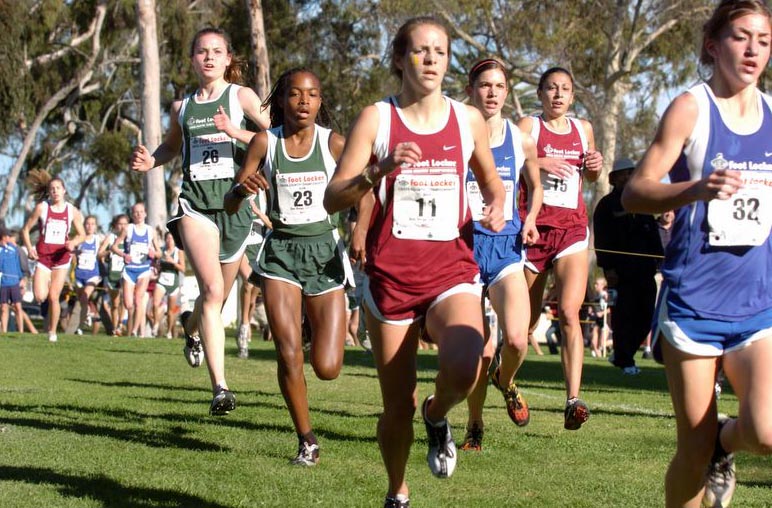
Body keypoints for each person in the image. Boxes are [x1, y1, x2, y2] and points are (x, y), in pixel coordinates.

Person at [323, 17, 506, 507]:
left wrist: (498, 203)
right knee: (395, 408)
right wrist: (378, 170)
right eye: (421, 51)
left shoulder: (467, 120)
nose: (431, 60)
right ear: (401, 58)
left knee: (467, 362)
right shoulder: (376, 119)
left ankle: (438, 412)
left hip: (451, 269)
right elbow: (332, 197)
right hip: (392, 277)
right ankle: (396, 491)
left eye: (440, 52)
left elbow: (492, 181)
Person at [622, 1, 772, 506]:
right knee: (691, 449)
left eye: (764, 40)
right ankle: (711, 447)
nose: (753, 50)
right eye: (740, 37)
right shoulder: (692, 107)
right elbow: (635, 192)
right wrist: (694, 189)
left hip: (758, 304)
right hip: (693, 306)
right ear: (713, 44)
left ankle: (725, 441)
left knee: (766, 431)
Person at [129, 27, 270, 415]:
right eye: (201, 52)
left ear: (228, 59)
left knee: (216, 298)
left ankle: (190, 330)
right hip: (195, 205)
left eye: (216, 51)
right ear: (192, 59)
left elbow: (274, 138)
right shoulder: (182, 107)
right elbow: (172, 147)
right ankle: (220, 388)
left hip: (235, 205)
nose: (208, 57)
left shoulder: (241, 97)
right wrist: (151, 161)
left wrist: (233, 131)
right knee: (211, 290)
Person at [225, 66, 351, 466]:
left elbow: (361, 190)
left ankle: (312, 327)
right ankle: (307, 439)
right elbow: (231, 202)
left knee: (328, 368)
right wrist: (241, 189)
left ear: (320, 101)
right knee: (288, 353)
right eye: (295, 94)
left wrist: (361, 230)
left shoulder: (333, 144)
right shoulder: (265, 142)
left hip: (325, 253)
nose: (303, 101)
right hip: (281, 253)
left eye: (312, 95)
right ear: (281, 100)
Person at [457, 58, 543, 452]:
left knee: (518, 341)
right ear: (472, 89)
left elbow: (535, 186)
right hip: (465, 249)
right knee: (482, 348)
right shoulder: (456, 134)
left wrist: (531, 219)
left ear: (508, 93)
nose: (492, 93)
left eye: (500, 86)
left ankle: (505, 381)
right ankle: (475, 423)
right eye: (485, 85)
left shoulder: (520, 139)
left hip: (507, 248)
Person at [516, 66, 603, 430]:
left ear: (572, 96)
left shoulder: (583, 129)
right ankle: (505, 381)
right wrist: (538, 161)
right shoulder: (527, 127)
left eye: (565, 89)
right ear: (540, 93)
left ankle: (573, 400)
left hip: (571, 228)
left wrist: (596, 166)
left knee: (570, 311)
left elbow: (593, 175)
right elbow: (509, 162)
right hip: (533, 229)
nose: (558, 95)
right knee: (524, 325)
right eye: (551, 88)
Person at [594, 157, 663, 375]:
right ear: (614, 178)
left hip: (645, 270)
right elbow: (602, 239)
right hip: (621, 273)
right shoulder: (606, 205)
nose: (628, 176)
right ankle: (625, 360)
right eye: (624, 173)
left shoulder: (643, 203)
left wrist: (659, 259)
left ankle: (624, 353)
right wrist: (607, 268)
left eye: (632, 173)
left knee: (646, 317)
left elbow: (652, 233)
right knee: (623, 317)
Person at [21, 172, 85, 343]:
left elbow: (82, 234)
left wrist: (73, 242)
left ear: (64, 191)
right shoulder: (42, 208)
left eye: (58, 188)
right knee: (40, 296)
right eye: (52, 189)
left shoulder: (72, 211)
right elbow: (25, 230)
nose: (55, 191)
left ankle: (52, 332)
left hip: (62, 257)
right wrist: (29, 248)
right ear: (49, 192)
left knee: (54, 297)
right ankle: (46, 282)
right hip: (43, 256)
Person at [111, 202, 159, 338]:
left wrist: (153, 253)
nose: (138, 214)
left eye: (141, 212)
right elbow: (114, 247)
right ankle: (131, 327)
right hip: (129, 269)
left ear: (145, 213)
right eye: (135, 212)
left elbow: (159, 253)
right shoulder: (128, 229)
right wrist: (124, 255)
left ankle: (134, 331)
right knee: (128, 303)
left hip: (144, 269)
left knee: (139, 300)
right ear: (132, 214)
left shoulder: (150, 231)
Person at [98, 214, 129, 336]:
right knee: (115, 303)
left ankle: (121, 325)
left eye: (125, 224)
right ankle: (115, 328)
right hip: (112, 274)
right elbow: (99, 254)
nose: (122, 226)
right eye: (120, 224)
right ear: (115, 225)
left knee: (124, 300)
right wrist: (111, 251)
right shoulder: (110, 238)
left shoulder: (130, 237)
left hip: (126, 273)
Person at [152, 230, 186, 339]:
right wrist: (157, 266)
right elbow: (156, 264)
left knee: (170, 311)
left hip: (173, 283)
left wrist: (173, 262)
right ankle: (156, 324)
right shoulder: (161, 251)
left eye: (171, 238)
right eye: (167, 238)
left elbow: (183, 268)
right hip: (161, 280)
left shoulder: (178, 251)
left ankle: (169, 332)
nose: (169, 241)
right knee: (155, 303)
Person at [73, 215, 103, 335]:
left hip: (92, 274)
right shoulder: (79, 238)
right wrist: (75, 252)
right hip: (79, 273)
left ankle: (87, 316)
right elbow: (71, 250)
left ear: (95, 226)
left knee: (85, 296)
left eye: (92, 224)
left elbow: (104, 250)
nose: (90, 226)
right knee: (82, 301)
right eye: (87, 224)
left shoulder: (98, 239)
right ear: (84, 225)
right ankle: (81, 325)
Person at [0, 227, 25, 333]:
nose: (9, 238)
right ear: (3, 237)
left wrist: (22, 279)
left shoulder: (13, 249)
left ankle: (21, 332)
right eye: (7, 236)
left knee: (18, 307)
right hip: (3, 283)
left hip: (14, 282)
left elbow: (17, 265)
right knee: (4, 308)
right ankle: (4, 331)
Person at [588, 277, 610, 359]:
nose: (595, 286)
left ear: (603, 285)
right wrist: (592, 311)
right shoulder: (597, 296)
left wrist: (602, 313)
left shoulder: (606, 295)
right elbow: (596, 306)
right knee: (593, 342)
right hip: (598, 321)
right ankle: (599, 357)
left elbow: (611, 308)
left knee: (602, 343)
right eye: (595, 284)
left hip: (606, 321)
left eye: (597, 284)